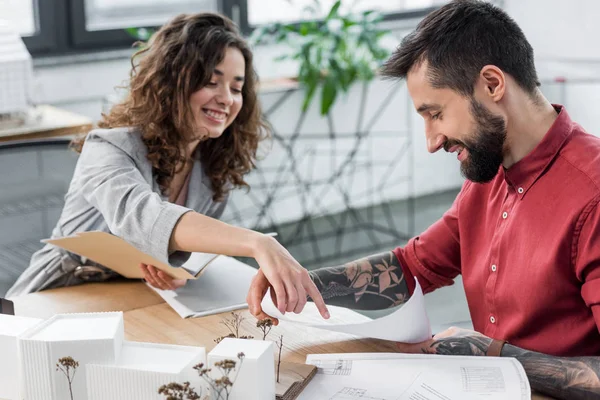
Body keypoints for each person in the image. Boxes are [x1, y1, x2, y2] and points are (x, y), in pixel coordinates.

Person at [246, 1, 600, 399]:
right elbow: (413, 265)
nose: (431, 141)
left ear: (492, 84)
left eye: (435, 114)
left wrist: (493, 353)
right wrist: (304, 283)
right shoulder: (489, 171)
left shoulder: (592, 195)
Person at [7, 12, 330, 322]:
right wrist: (258, 242)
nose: (226, 98)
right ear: (172, 81)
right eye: (211, 81)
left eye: (235, 88)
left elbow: (185, 247)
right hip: (57, 298)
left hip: (137, 303)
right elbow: (144, 217)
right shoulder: (107, 147)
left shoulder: (211, 169)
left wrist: (178, 271)